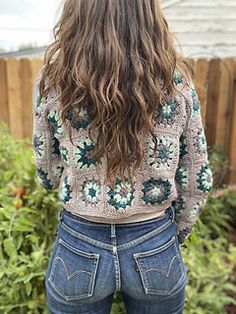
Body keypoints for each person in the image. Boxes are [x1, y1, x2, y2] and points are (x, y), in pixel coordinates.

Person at [31, 0, 213, 313]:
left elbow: (46, 170)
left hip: (79, 240)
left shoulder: (55, 83)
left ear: (78, 15)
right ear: (149, 16)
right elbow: (197, 178)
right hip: (155, 239)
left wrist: (81, 189)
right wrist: (171, 234)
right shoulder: (176, 84)